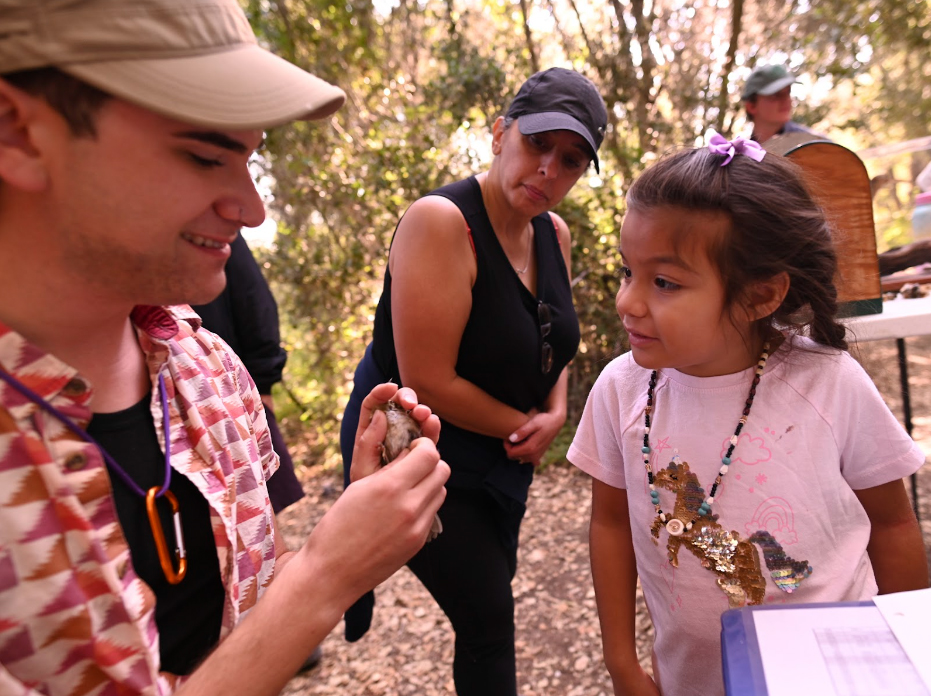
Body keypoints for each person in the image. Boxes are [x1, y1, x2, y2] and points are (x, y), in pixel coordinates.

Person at [0, 1, 449, 695]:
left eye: (247, 158)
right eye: (205, 154)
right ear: (18, 133)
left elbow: (242, 618)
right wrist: (323, 578)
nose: (251, 204)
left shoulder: (205, 368)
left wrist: (354, 529)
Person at [568, 133, 929, 696]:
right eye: (626, 272)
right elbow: (610, 524)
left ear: (761, 296)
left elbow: (893, 523)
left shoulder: (828, 384)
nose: (627, 302)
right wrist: (622, 662)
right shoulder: (620, 389)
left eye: (663, 282)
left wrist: (907, 655)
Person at [338, 67, 607, 695]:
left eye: (570, 160)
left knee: (493, 580)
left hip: (499, 446)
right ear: (499, 133)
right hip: (419, 442)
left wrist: (557, 411)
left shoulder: (553, 235)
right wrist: (528, 426)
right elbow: (427, 379)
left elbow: (554, 339)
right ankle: (354, 571)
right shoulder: (442, 222)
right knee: (489, 620)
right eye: (538, 144)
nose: (549, 169)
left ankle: (360, 565)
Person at [193, 231, 306, 516]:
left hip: (228, 399)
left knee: (256, 519)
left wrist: (263, 388)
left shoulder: (210, 230)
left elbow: (253, 300)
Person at [741, 64, 818, 144]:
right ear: (751, 106)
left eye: (788, 92)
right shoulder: (742, 151)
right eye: (775, 95)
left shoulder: (814, 145)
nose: (786, 100)